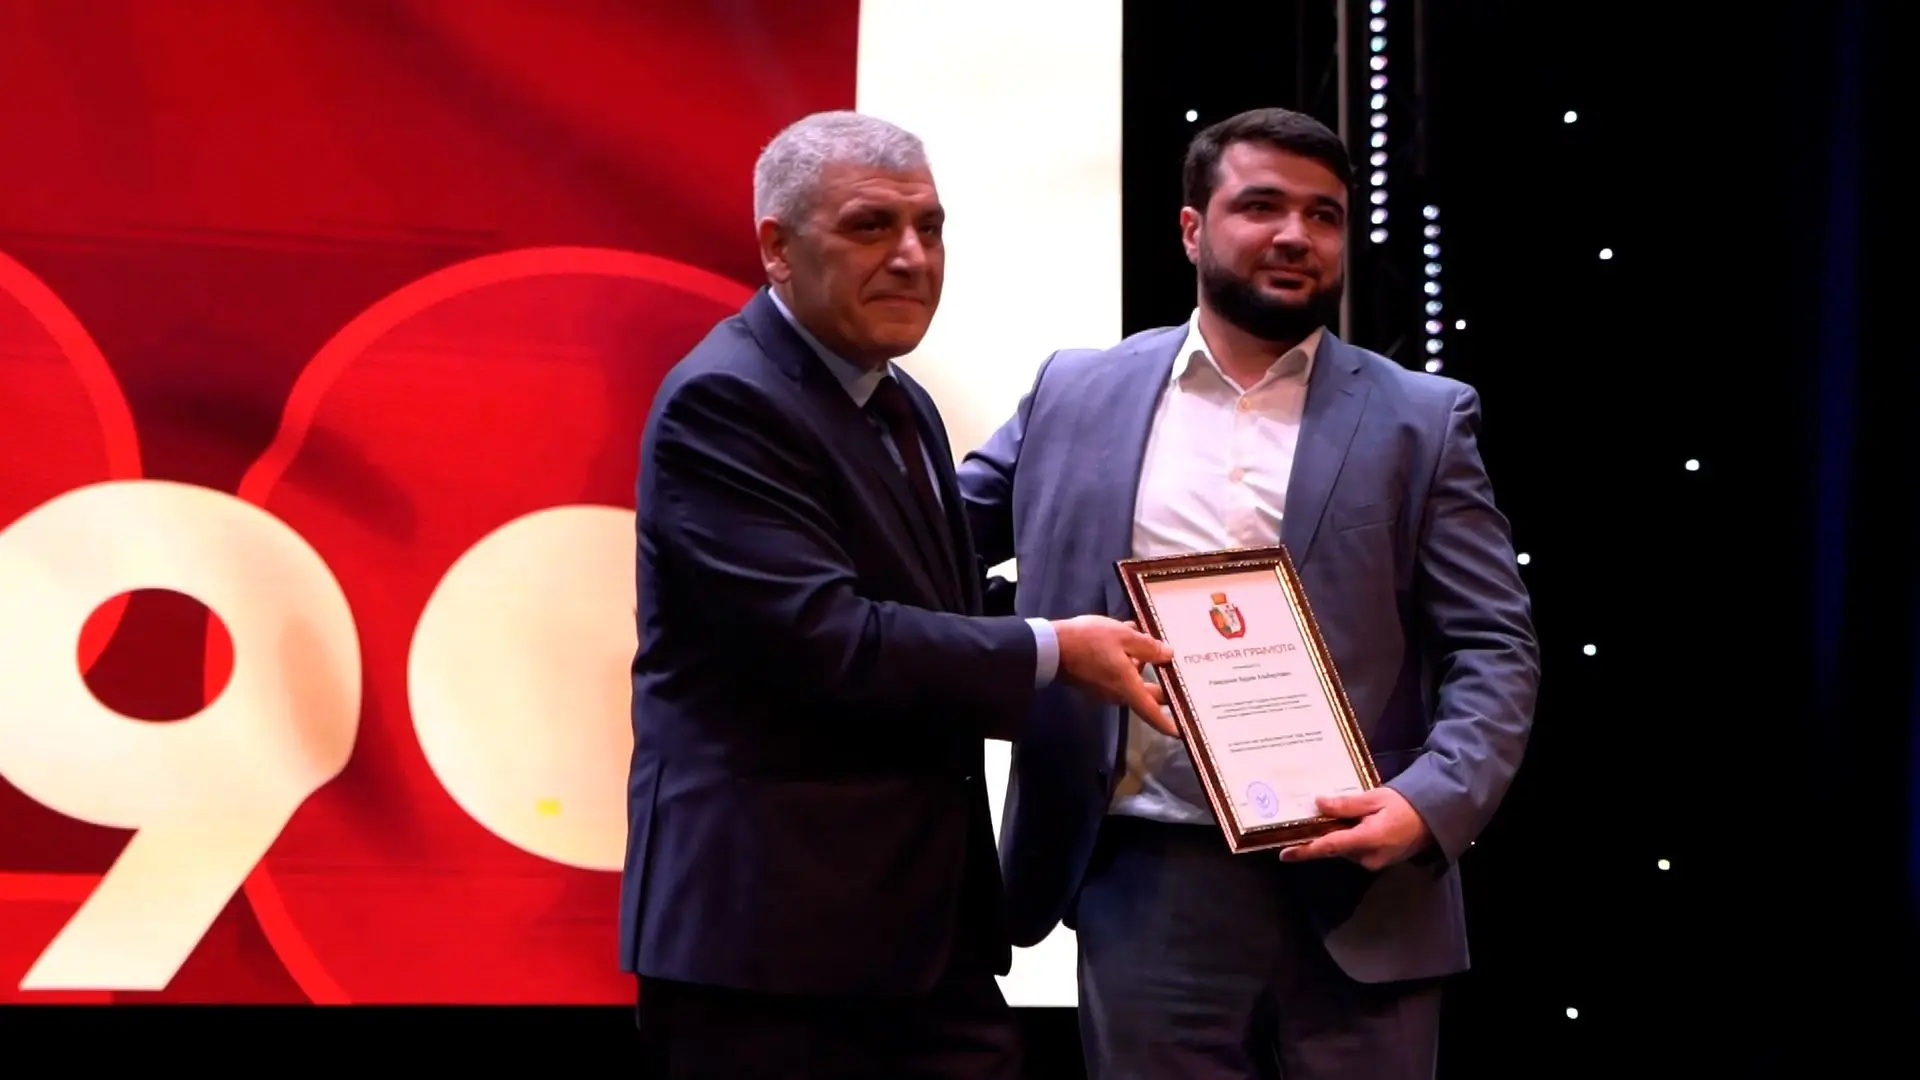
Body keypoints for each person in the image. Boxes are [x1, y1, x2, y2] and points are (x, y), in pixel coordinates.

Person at [958, 107, 1541, 1079]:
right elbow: (928, 550)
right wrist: (1044, 649)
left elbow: (1495, 647)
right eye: (1262, 206)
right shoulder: (1075, 392)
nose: (1294, 235)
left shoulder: (1423, 419)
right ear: (1193, 229)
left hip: (1362, 880)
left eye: (1323, 215)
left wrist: (1428, 802)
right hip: (1144, 878)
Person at [619, 110, 1174, 1079]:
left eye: (931, 226)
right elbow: (827, 641)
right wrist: (1056, 648)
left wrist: (1132, 631)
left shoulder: (897, 397)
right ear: (777, 248)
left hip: (916, 933)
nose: (914, 256)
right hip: (768, 943)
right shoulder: (726, 401)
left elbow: (938, 604)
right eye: (871, 226)